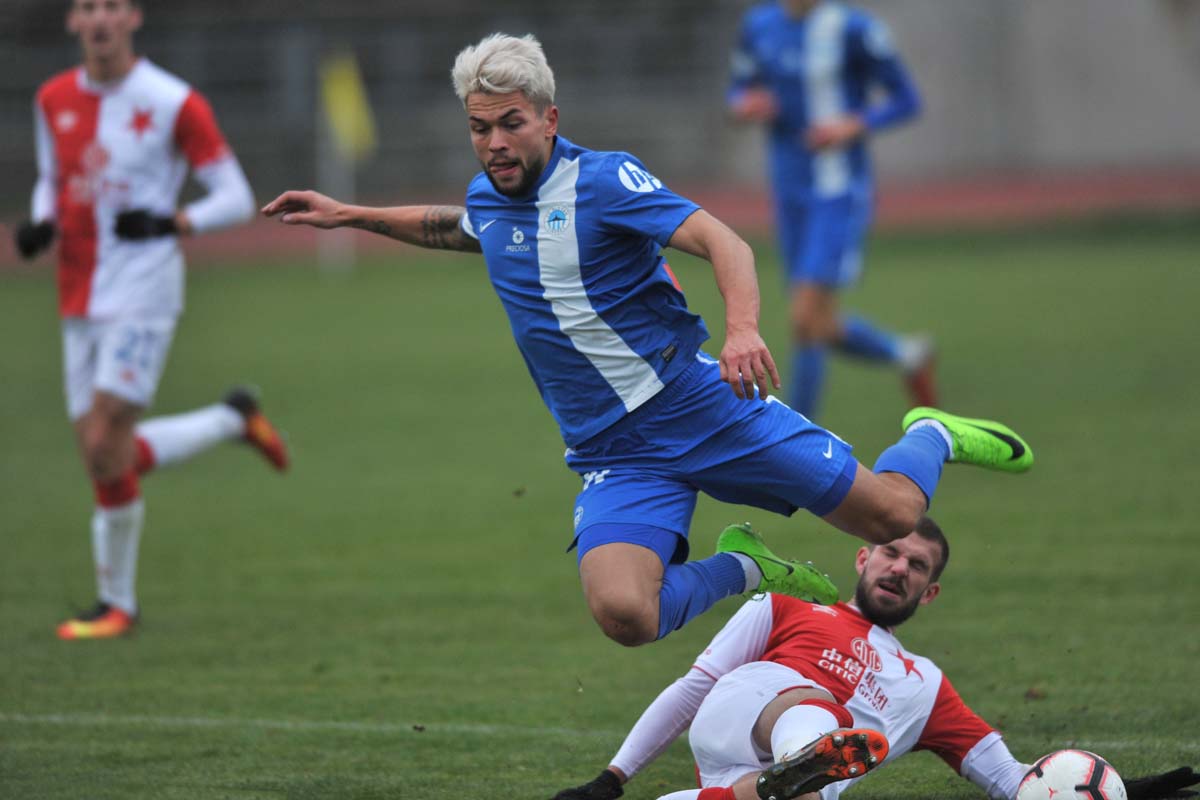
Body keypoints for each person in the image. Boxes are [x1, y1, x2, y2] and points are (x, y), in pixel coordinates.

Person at [263, 32, 1032, 649]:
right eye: (478, 127)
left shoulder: (604, 182)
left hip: (701, 407)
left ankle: (930, 433)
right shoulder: (490, 199)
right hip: (612, 450)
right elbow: (457, 227)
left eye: (510, 123)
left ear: (549, 119)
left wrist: (741, 330)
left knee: (893, 518)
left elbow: (724, 240)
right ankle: (748, 567)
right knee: (627, 615)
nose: (493, 142)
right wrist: (350, 215)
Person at [551, 521, 1199, 800]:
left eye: (917, 566)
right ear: (863, 558)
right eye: (890, 552)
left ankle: (787, 781)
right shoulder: (786, 607)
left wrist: (1114, 789)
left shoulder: (927, 686)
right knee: (814, 710)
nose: (899, 568)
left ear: (929, 592)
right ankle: (808, 758)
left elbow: (1012, 781)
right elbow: (694, 689)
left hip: (743, 782)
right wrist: (612, 777)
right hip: (747, 709)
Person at [14, 0, 289, 640]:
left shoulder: (173, 101)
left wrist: (174, 222)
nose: (100, 19)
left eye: (111, 6)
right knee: (102, 454)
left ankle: (117, 605)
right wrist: (42, 222)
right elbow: (51, 179)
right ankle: (232, 420)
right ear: (73, 20)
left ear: (132, 16)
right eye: (88, 7)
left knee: (104, 437)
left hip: (144, 289)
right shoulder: (52, 97)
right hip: (77, 289)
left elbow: (236, 197)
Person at [727, 0, 934, 422]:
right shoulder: (759, 25)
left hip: (836, 191)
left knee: (805, 316)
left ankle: (794, 431)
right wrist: (746, 104)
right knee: (816, 321)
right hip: (789, 190)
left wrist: (852, 125)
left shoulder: (855, 29)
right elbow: (738, 89)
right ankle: (907, 354)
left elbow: (906, 99)